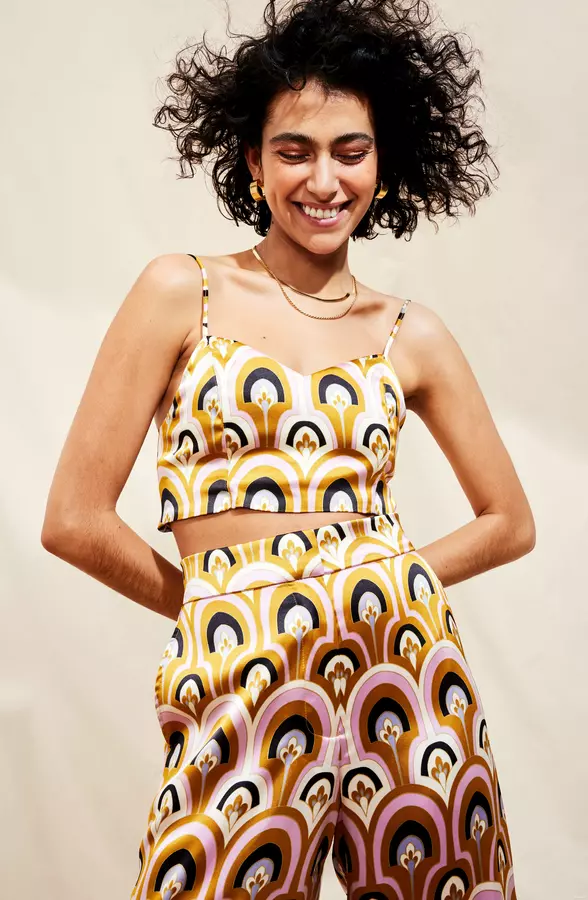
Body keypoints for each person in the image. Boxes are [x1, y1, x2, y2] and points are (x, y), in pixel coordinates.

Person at [42, 0, 534, 897]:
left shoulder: (412, 332)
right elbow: (73, 519)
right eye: (295, 151)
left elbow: (510, 520)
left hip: (406, 668)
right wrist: (226, 604)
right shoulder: (180, 291)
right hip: (240, 667)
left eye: (351, 151)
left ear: (383, 163)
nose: (324, 179)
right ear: (252, 162)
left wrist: (370, 581)